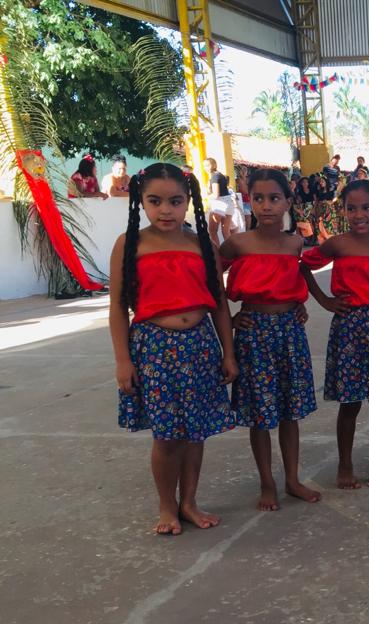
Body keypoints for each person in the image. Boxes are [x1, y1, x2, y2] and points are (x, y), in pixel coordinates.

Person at [108, 162, 236, 535]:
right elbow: (117, 306)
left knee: (194, 432)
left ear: (188, 201)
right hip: (154, 349)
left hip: (199, 346)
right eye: (155, 201)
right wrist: (122, 360)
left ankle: (190, 503)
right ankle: (167, 507)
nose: (166, 210)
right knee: (166, 436)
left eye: (176, 201)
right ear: (141, 202)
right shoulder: (130, 244)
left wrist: (228, 352)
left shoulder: (202, 244)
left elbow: (220, 304)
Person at [220, 168, 320, 511]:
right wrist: (229, 319)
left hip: (290, 333)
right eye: (258, 199)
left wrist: (298, 304)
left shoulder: (295, 243)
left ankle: (292, 479)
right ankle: (267, 482)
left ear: (288, 202)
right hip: (253, 334)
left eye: (274, 199)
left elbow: (294, 277)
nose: (266, 206)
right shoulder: (238, 243)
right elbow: (206, 282)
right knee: (261, 415)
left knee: (290, 412)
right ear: (249, 201)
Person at [301, 180, 369, 488]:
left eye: (367, 208)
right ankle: (345, 465)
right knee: (350, 402)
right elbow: (303, 265)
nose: (359, 214)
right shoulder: (337, 244)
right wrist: (324, 301)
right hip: (349, 328)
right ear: (344, 211)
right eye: (352, 208)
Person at [203, 157, 234, 245]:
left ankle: (217, 253)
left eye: (207, 165)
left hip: (220, 204)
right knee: (226, 232)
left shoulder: (214, 177)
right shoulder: (220, 175)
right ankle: (232, 253)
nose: (205, 168)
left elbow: (216, 194)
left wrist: (206, 197)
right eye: (204, 166)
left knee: (212, 231)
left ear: (213, 165)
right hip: (228, 203)